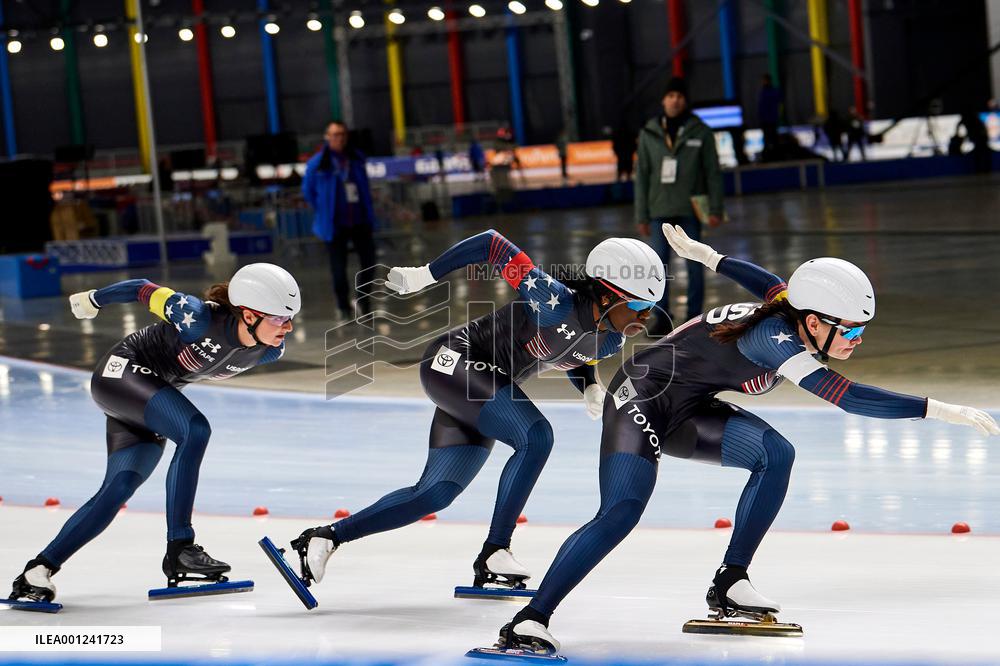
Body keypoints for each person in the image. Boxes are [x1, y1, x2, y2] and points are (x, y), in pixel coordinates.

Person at [490, 224, 999, 655]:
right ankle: (530, 621)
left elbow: (769, 281)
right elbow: (846, 397)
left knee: (776, 454)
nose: (857, 341)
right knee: (621, 512)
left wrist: (709, 255)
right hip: (641, 398)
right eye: (851, 331)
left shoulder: (791, 309)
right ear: (816, 323)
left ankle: (730, 582)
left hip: (688, 405)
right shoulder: (773, 339)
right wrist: (938, 409)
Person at [288, 230, 664, 593]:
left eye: (650, 308)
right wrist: (425, 275)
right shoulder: (553, 298)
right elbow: (491, 243)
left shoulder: (612, 337)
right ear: (605, 294)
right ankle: (496, 548)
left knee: (434, 494)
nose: (646, 317)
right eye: (639, 306)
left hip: (482, 385)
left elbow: (574, 356)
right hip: (453, 360)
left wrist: (590, 385)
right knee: (536, 437)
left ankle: (325, 538)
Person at [8, 264, 301, 603]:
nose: (289, 327)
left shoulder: (269, 350)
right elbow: (141, 287)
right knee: (195, 429)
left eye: (290, 317)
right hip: (120, 373)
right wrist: (93, 299)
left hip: (145, 397)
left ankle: (36, 571)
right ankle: (181, 546)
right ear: (249, 315)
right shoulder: (195, 315)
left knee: (117, 489)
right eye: (280, 319)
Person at [635, 77, 724, 336]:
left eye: (680, 96)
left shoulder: (700, 131)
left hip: (690, 211)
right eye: (671, 95)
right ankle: (661, 317)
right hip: (658, 211)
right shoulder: (649, 133)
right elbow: (641, 175)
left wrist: (716, 208)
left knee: (695, 265)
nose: (675, 100)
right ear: (663, 100)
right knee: (657, 268)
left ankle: (694, 318)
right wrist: (641, 214)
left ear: (685, 101)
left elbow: (713, 172)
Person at [303, 120, 377, 321]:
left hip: (360, 221)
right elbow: (308, 192)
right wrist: (323, 211)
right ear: (327, 137)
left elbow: (364, 188)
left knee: (369, 263)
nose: (339, 138)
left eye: (342, 134)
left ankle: (364, 301)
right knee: (338, 269)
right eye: (335, 135)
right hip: (334, 225)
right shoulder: (317, 163)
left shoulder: (356, 159)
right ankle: (343, 306)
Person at [757, 74, 782, 160]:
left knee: (773, 139)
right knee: (767, 139)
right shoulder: (763, 92)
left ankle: (776, 156)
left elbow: (777, 103)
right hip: (766, 120)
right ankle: (769, 156)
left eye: (765, 80)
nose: (764, 82)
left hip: (771, 120)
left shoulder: (772, 92)